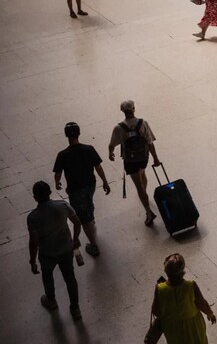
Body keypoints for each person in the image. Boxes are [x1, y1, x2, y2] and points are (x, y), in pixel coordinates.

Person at [27, 181, 83, 321]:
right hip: (65, 249)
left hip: (47, 253)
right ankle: (75, 308)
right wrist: (75, 239)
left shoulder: (33, 217)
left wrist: (32, 260)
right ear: (50, 192)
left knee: (47, 276)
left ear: (35, 197)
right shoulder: (62, 205)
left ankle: (51, 300)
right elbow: (77, 222)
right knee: (70, 278)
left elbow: (34, 242)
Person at [54, 122, 110, 258]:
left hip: (75, 190)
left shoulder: (63, 154)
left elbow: (58, 173)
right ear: (79, 133)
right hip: (90, 185)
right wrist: (105, 181)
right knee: (88, 202)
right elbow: (98, 166)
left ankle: (93, 245)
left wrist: (57, 183)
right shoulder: (89, 149)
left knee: (82, 218)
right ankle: (91, 219)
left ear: (66, 135)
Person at [108, 100, 160, 226]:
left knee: (138, 185)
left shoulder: (119, 128)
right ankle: (144, 194)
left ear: (122, 111)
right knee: (142, 174)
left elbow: (112, 145)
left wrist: (111, 153)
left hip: (130, 161)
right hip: (143, 158)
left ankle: (148, 211)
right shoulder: (143, 123)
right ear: (134, 109)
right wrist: (155, 158)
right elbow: (150, 142)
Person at [151, 253, 216, 344]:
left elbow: (155, 311)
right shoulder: (190, 286)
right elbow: (203, 304)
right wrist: (210, 314)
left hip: (172, 330)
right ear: (182, 270)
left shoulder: (160, 289)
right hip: (193, 327)